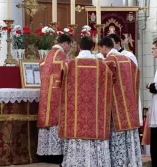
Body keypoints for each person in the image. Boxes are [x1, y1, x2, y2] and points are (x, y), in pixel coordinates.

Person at [59, 36, 113, 167]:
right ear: (93, 47)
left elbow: (60, 84)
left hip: (77, 113)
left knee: (78, 133)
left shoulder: (69, 65)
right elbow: (110, 84)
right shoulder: (102, 66)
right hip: (95, 114)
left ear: (78, 47)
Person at [100, 37, 142, 167]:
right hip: (128, 106)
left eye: (101, 49)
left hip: (115, 107)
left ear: (104, 47)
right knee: (127, 136)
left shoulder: (110, 60)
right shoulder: (129, 60)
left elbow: (103, 84)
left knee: (116, 137)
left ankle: (119, 162)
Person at [37, 34, 72, 163]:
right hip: (57, 93)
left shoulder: (46, 56)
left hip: (46, 93)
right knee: (56, 120)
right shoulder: (61, 56)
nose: (69, 48)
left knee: (47, 121)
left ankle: (45, 153)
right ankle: (56, 155)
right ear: (65, 43)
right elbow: (70, 70)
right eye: (69, 45)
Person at [108, 33, 143, 126]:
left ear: (118, 43)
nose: (110, 47)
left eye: (112, 43)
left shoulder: (128, 55)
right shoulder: (109, 57)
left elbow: (134, 73)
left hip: (127, 89)